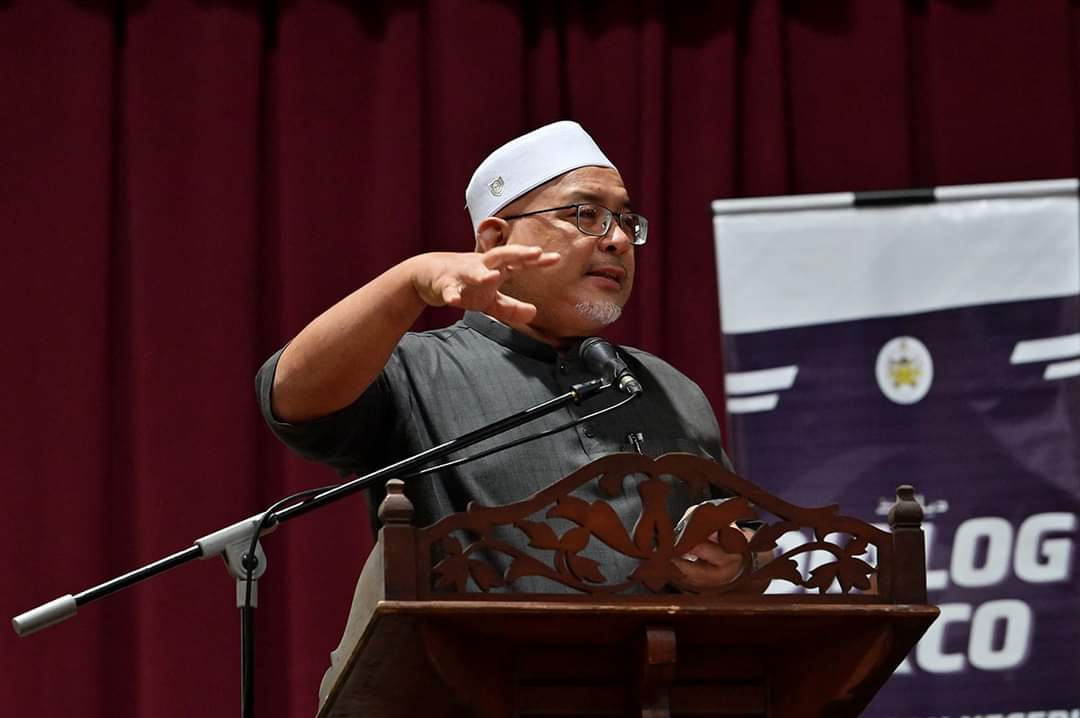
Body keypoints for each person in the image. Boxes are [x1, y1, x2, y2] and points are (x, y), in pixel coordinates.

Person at [255, 121, 746, 593]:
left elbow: (745, 537)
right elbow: (292, 398)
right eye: (586, 214)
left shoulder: (667, 387)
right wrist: (409, 281)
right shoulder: (417, 370)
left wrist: (736, 560)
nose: (617, 239)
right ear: (494, 240)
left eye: (625, 221)